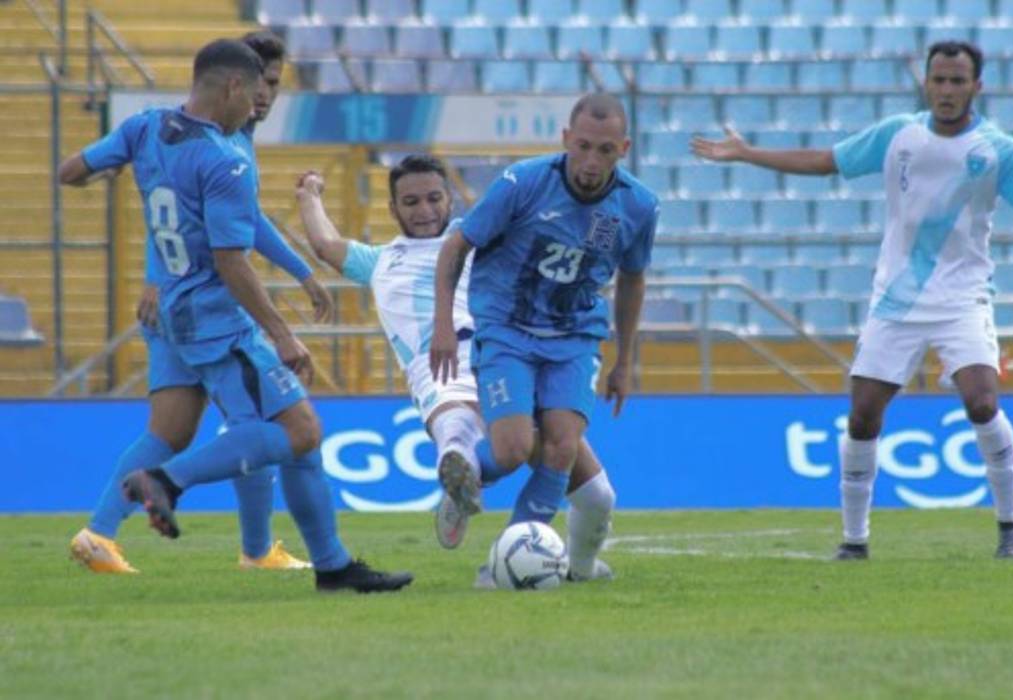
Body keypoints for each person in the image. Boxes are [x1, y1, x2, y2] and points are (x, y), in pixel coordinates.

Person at [691, 41, 1013, 560]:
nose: (947, 90)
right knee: (862, 415)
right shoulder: (898, 135)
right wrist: (748, 153)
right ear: (926, 83)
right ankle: (854, 541)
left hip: (962, 298)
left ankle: (1011, 524)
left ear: (977, 87)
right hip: (897, 299)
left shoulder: (999, 151)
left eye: (957, 81)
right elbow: (824, 161)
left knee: (982, 401)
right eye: (939, 80)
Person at [60, 38, 411, 592]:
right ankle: (168, 486)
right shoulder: (225, 155)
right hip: (216, 318)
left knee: (187, 429)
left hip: (175, 312)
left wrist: (116, 186)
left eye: (273, 85)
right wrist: (283, 333)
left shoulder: (144, 126)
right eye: (258, 86)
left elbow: (71, 171)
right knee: (296, 430)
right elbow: (231, 259)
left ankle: (112, 531)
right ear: (233, 85)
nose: (261, 100)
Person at [295, 154, 615, 584]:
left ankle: (575, 564)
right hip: (438, 364)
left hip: (511, 354)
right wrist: (309, 195)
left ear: (450, 199)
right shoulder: (380, 260)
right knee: (463, 423)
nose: (424, 210)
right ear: (393, 209)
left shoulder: (482, 239)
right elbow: (324, 243)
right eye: (411, 202)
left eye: (433, 198)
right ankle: (464, 477)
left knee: (597, 496)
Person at [430, 93, 658, 576]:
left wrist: (625, 361)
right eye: (583, 146)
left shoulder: (638, 206)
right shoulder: (524, 182)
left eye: (605, 150)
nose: (591, 161)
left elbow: (633, 279)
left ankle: (504, 567)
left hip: (573, 337)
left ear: (624, 149)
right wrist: (444, 325)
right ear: (566, 139)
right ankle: (466, 480)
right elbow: (456, 245)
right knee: (512, 448)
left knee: (562, 446)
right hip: (507, 329)